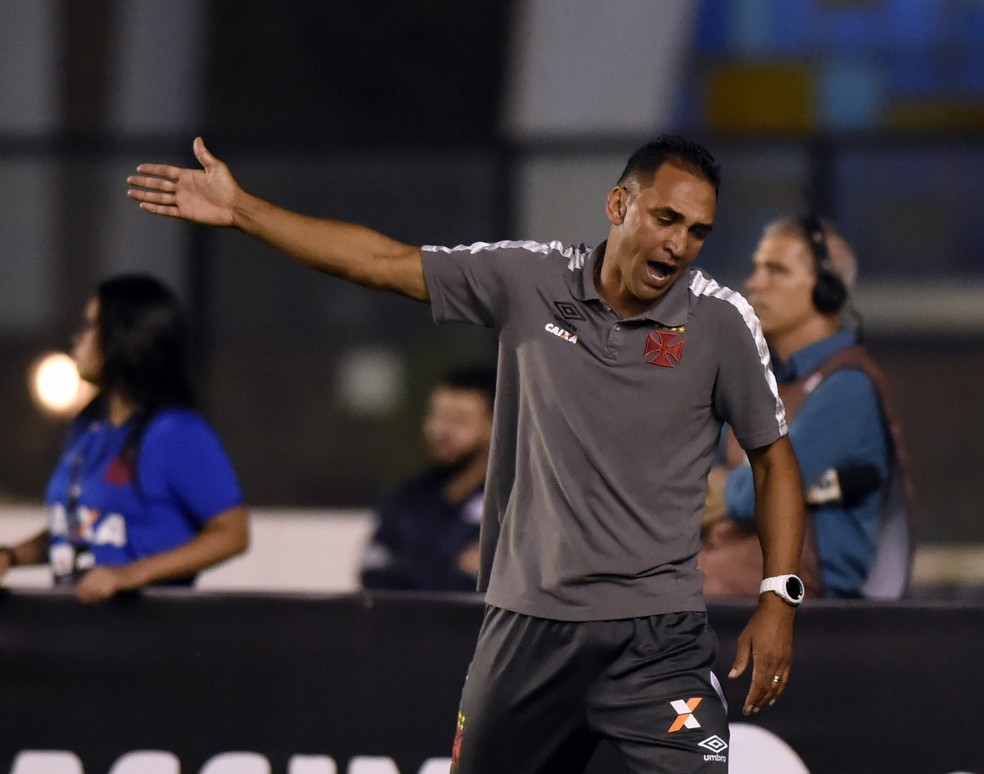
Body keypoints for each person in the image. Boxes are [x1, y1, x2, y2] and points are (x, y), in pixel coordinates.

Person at [127, 134, 806, 773]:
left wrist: (777, 597)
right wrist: (244, 210)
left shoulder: (720, 321)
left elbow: (774, 460)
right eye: (666, 219)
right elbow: (381, 263)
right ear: (618, 205)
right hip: (526, 628)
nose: (680, 244)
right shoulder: (527, 278)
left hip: (659, 640)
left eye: (697, 231)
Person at [0, 274, 250, 604]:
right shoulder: (88, 428)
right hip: (78, 630)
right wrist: (12, 556)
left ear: (125, 337)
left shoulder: (174, 432)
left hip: (142, 638)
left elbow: (232, 532)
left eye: (91, 325)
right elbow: (82, 531)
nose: (79, 339)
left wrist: (132, 575)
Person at [701, 215, 912, 600]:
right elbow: (694, 479)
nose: (755, 283)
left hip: (813, 612)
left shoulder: (848, 385)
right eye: (757, 268)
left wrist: (725, 494)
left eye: (776, 270)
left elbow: (765, 487)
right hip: (734, 584)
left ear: (825, 290)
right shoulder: (759, 382)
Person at [360, 365, 495, 592]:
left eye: (460, 420)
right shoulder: (408, 497)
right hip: (404, 626)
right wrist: (453, 570)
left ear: (494, 427)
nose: (442, 430)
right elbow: (373, 576)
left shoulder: (512, 506)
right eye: (437, 416)